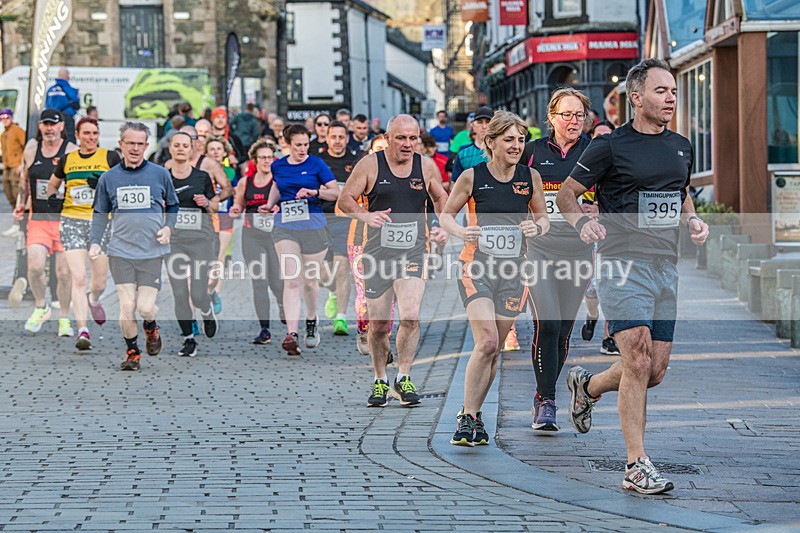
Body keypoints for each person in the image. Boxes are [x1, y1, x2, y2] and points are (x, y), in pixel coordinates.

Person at [557, 58, 710, 494]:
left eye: (675, 92)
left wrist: (693, 221)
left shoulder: (681, 146)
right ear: (636, 97)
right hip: (622, 263)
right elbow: (569, 195)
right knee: (638, 359)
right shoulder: (609, 146)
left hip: (666, 267)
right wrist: (582, 223)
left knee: (653, 370)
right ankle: (635, 465)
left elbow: (679, 195)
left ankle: (587, 386)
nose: (671, 99)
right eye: (662, 91)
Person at [439, 111, 549, 446]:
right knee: (486, 341)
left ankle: (474, 413)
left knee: (495, 348)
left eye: (521, 140)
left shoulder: (530, 177)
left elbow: (543, 218)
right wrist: (461, 231)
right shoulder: (472, 177)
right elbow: (445, 216)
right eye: (509, 140)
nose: (517, 146)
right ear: (491, 142)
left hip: (514, 272)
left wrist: (536, 226)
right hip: (476, 267)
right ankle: (468, 417)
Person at [337, 114, 448, 408]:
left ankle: (404, 377)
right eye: (401, 138)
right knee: (378, 325)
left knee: (410, 315)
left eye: (413, 138)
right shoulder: (371, 164)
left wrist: (440, 225)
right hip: (377, 254)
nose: (408, 144)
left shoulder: (425, 166)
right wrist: (365, 215)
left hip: (413, 251)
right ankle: (380, 380)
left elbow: (440, 198)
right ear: (387, 138)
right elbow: (345, 199)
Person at [518, 88, 596, 431]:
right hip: (539, 250)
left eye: (579, 115)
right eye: (566, 115)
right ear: (551, 117)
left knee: (563, 330)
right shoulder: (532, 152)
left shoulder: (595, 151)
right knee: (546, 324)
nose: (573, 121)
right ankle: (546, 400)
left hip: (578, 253)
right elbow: (513, 188)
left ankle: (544, 392)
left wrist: (599, 210)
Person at [90, 122, 179, 371]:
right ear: (121, 144)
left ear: (146, 146)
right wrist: (95, 242)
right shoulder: (109, 178)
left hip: (152, 251)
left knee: (146, 307)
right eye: (131, 143)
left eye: (140, 144)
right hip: (121, 250)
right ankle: (132, 352)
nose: (136, 148)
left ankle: (151, 327)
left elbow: (172, 204)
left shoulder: (160, 174)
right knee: (127, 305)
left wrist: (168, 227)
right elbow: (100, 213)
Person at [45, 116, 120, 350]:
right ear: (77, 135)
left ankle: (94, 299)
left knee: (98, 282)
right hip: (72, 221)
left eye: (95, 133)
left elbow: (122, 185)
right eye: (86, 133)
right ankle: (83, 330)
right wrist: (52, 200)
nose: (91, 138)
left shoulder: (109, 157)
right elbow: (52, 185)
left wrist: (103, 186)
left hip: (100, 222)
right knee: (78, 278)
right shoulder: (68, 160)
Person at [265, 124, 339, 355]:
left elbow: (336, 192)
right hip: (285, 226)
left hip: (313, 227)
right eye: (298, 145)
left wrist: (314, 192)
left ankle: (311, 319)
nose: (303, 149)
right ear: (286, 144)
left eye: (306, 144)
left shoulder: (316, 164)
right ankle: (292, 333)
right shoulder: (278, 165)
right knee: (292, 280)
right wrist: (269, 205)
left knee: (309, 281)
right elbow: (278, 186)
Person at [13, 109, 77, 335]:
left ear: (61, 127)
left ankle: (65, 317)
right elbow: (25, 180)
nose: (49, 129)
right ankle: (41, 305)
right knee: (36, 266)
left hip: (64, 220)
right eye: (45, 124)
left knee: (63, 273)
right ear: (40, 126)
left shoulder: (71, 151)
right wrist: (21, 204)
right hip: (38, 219)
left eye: (53, 124)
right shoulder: (31, 149)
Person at [165, 131, 219, 357]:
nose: (180, 149)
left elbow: (215, 206)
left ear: (191, 150)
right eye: (176, 145)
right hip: (174, 241)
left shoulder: (202, 177)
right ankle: (188, 339)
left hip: (200, 240)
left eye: (184, 146)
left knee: (197, 293)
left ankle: (206, 310)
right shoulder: (163, 177)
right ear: (170, 149)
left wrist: (206, 202)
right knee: (179, 293)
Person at [228, 139, 284, 344]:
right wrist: (235, 210)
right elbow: (238, 204)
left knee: (277, 282)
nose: (267, 161)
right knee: (259, 282)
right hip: (252, 236)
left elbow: (289, 203)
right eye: (263, 158)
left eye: (270, 157)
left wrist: (278, 209)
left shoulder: (279, 181)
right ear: (255, 160)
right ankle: (265, 329)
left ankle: (281, 301)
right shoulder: (246, 182)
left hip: (276, 237)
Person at [579, 120, 619, 355]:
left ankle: (608, 337)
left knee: (611, 285)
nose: (602, 140)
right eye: (597, 136)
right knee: (592, 289)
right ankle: (592, 315)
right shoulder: (584, 167)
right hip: (588, 234)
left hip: (612, 235)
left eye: (607, 136)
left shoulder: (622, 166)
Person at [319, 121, 359, 335]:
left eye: (341, 137)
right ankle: (332, 292)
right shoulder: (319, 162)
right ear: (326, 138)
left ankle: (341, 318)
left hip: (344, 221)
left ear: (347, 138)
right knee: (323, 275)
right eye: (333, 137)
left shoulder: (355, 161)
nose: (337, 141)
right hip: (320, 219)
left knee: (342, 267)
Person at [204, 135, 238, 313]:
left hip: (224, 217)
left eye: (219, 149)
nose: (216, 152)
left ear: (224, 152)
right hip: (206, 220)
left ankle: (214, 292)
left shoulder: (230, 172)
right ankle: (206, 291)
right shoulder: (201, 171)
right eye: (212, 149)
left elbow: (237, 191)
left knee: (219, 258)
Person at [1, 108, 26, 237]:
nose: (5, 120)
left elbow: (26, 146)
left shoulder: (17, 131)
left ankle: (19, 225)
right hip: (7, 167)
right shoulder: (4, 134)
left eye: (7, 117)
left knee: (17, 196)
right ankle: (15, 222)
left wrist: (22, 164)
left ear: (11, 117)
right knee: (9, 194)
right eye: (2, 117)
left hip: (16, 167)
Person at [451, 107, 492, 183]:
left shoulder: (502, 152)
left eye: (488, 122)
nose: (484, 126)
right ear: (473, 125)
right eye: (480, 122)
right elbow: (455, 186)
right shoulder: (463, 155)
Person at [44, 67, 80, 143]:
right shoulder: (71, 90)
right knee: (69, 142)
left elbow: (46, 105)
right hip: (67, 119)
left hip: (52, 119)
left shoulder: (50, 90)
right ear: (67, 76)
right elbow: (76, 103)